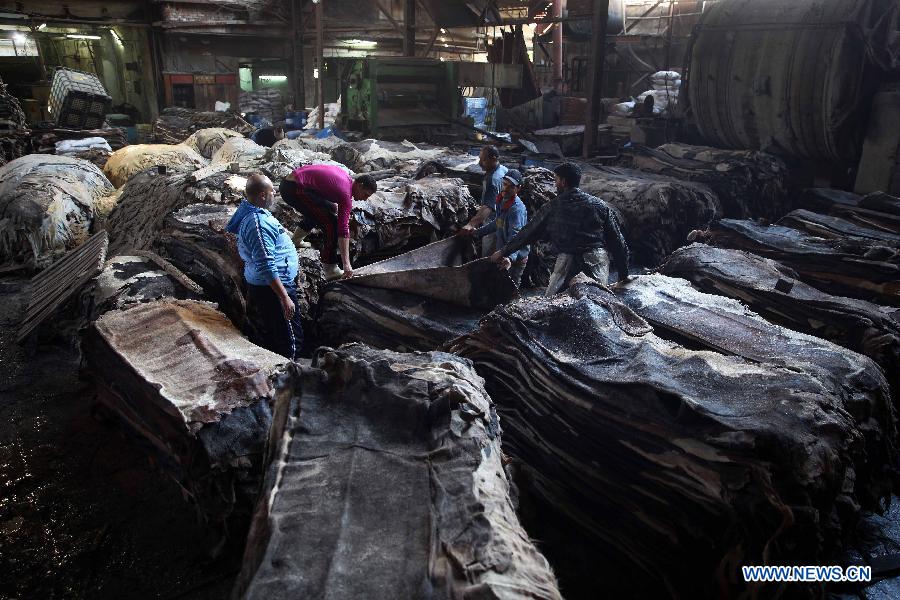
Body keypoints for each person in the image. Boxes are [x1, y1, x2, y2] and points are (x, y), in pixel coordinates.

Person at [491, 162, 629, 296]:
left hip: (567, 261)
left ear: (563, 181)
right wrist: (623, 276)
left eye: (556, 180)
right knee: (599, 303)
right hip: (597, 260)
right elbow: (617, 241)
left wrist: (504, 251)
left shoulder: (552, 207)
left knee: (551, 306)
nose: (555, 184)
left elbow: (528, 233)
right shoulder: (600, 205)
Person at [226, 173, 303, 360]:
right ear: (262, 195)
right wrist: (284, 297)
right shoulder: (257, 224)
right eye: (271, 190)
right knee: (290, 338)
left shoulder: (254, 212)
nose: (275, 192)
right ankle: (291, 372)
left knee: (275, 331)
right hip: (274, 289)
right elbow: (266, 264)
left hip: (268, 286)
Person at [279, 165, 378, 281]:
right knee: (332, 224)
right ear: (360, 185)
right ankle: (330, 268)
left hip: (290, 182)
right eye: (365, 194)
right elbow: (343, 230)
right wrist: (346, 264)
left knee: (328, 209)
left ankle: (295, 240)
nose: (365, 199)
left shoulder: (346, 178)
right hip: (293, 189)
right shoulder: (345, 194)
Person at [458, 168, 529, 286]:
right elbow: (497, 223)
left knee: (510, 290)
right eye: (505, 184)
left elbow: (516, 236)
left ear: (518, 188)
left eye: (510, 186)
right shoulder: (502, 201)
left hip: (515, 258)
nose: (505, 188)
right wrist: (476, 232)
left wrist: (509, 258)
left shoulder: (516, 209)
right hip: (505, 252)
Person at [460, 145, 508, 256]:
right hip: (504, 218)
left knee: (489, 255)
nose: (480, 163)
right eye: (480, 159)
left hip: (494, 222)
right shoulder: (504, 169)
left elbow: (488, 207)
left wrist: (471, 224)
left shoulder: (492, 179)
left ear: (494, 158)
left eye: (484, 159)